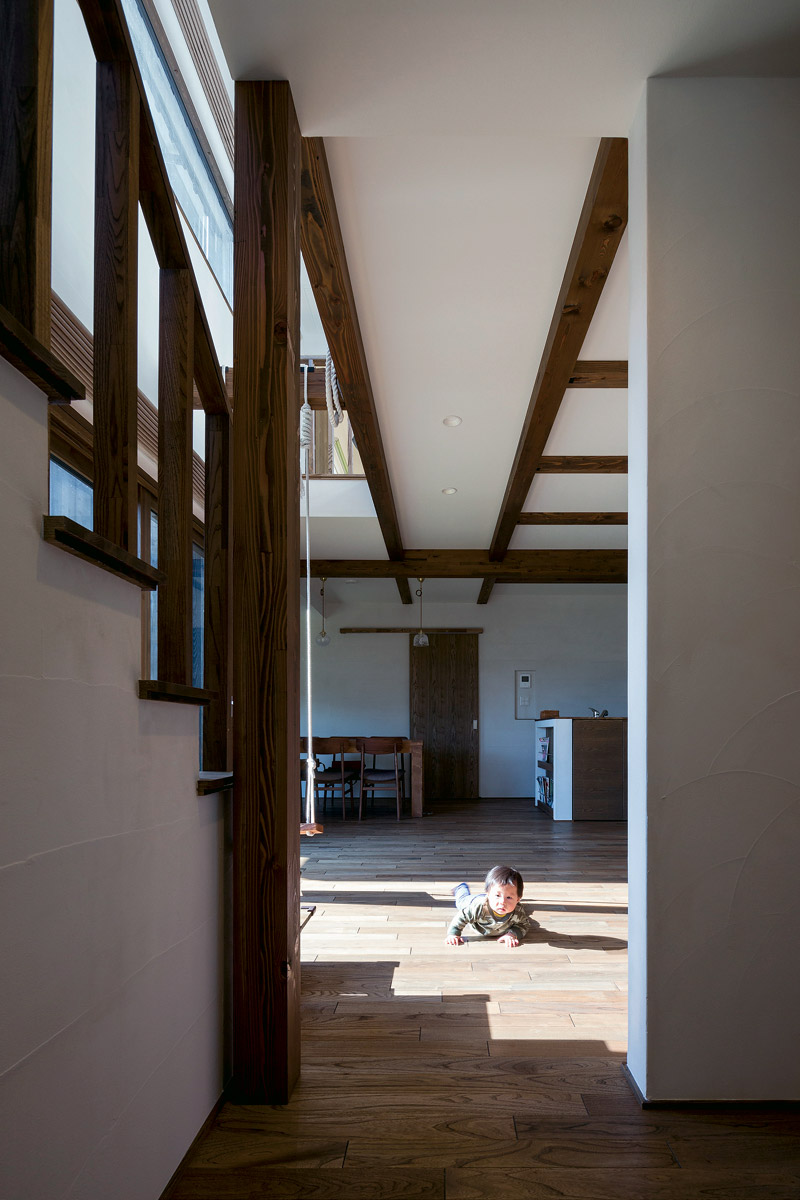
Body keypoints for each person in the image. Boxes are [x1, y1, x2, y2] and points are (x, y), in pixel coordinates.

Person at [445, 865, 529, 948]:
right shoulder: (478, 907)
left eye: (509, 897)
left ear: (518, 899)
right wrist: (453, 934)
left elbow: (524, 925)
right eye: (498, 895)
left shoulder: (518, 912)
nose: (502, 902)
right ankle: (461, 888)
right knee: (461, 901)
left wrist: (512, 934)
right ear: (488, 894)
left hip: (490, 900)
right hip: (473, 901)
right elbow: (462, 917)